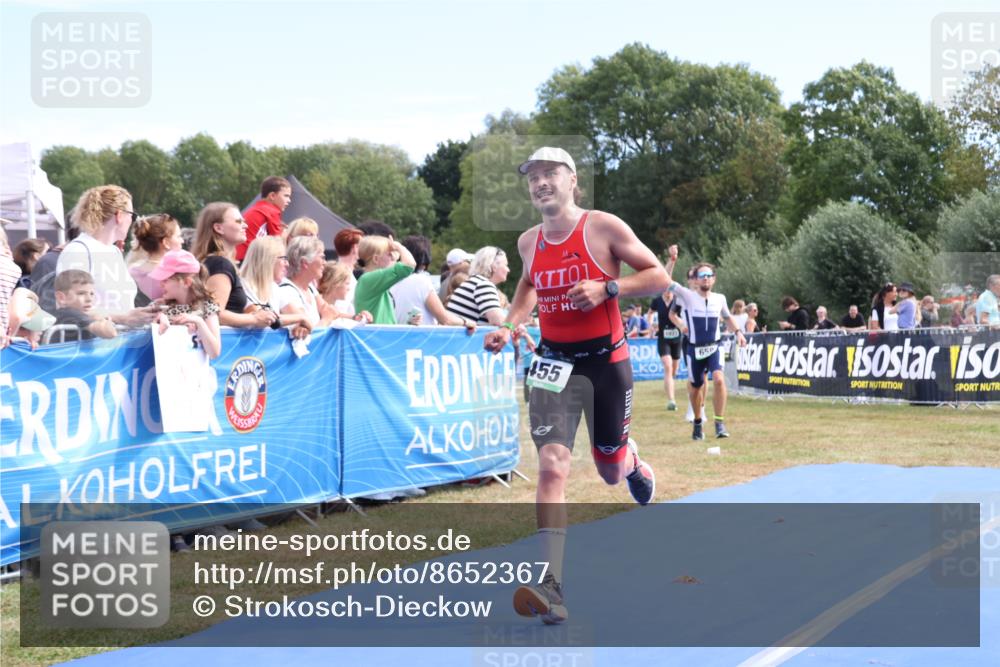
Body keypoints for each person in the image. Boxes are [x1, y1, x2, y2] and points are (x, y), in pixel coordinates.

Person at [482, 147, 668, 625]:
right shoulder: (528, 242)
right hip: (553, 365)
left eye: (550, 174)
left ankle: (629, 460)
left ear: (572, 180)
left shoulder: (602, 227)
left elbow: (658, 277)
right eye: (533, 177)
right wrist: (511, 324)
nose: (540, 183)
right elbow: (527, 286)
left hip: (606, 362)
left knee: (609, 470)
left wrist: (608, 288)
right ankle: (553, 585)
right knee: (551, 466)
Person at [669, 255, 747, 441]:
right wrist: (671, 260)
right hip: (694, 349)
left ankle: (719, 423)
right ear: (695, 280)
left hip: (714, 346)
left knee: (719, 379)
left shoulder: (720, 298)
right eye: (702, 275)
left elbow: (727, 317)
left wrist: (738, 332)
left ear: (714, 279)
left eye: (709, 275)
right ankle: (697, 422)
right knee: (696, 388)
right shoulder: (687, 296)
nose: (706, 278)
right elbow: (665, 281)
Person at [55, 185, 157, 327]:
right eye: (132, 215)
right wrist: (122, 318)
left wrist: (152, 314)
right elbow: (69, 307)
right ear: (119, 215)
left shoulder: (114, 252)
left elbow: (122, 305)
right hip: (94, 340)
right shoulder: (78, 251)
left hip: (121, 338)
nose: (132, 221)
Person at [192, 202, 279, 329]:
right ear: (218, 228)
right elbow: (214, 313)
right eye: (238, 221)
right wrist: (254, 318)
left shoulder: (215, 262)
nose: (245, 225)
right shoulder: (220, 264)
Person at [390, 235, 476, 329]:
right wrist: (466, 322)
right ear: (424, 261)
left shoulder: (390, 280)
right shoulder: (421, 281)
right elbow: (445, 319)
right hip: (422, 336)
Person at [151, 250, 222, 359]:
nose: (161, 284)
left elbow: (214, 353)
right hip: (167, 367)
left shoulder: (207, 307)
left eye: (165, 280)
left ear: (186, 282)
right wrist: (157, 319)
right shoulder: (160, 307)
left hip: (194, 369)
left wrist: (199, 322)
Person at [278, 236, 336, 333]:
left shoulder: (310, 287)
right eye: (322, 257)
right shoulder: (287, 291)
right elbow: (311, 334)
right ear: (304, 263)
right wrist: (326, 319)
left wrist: (356, 317)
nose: (325, 263)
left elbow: (327, 309)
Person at [354, 235, 416, 324]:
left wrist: (410, 323)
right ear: (376, 259)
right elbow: (409, 265)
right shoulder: (369, 279)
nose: (394, 257)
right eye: (390, 254)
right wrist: (399, 247)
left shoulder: (372, 281)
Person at [446, 246, 510, 325]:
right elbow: (498, 321)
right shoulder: (483, 285)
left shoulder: (474, 282)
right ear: (494, 267)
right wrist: (515, 325)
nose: (508, 270)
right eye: (506, 265)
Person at [129, 214, 184, 303]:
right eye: (178, 236)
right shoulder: (177, 273)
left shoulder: (132, 272)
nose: (182, 240)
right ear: (166, 242)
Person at [52, 270, 117, 341]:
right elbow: (111, 333)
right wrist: (99, 318)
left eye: (91, 294)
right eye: (81, 293)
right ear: (61, 297)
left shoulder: (81, 315)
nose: (89, 299)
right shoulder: (68, 313)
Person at [236, 176, 291, 261]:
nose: (289, 200)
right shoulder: (271, 211)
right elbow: (277, 240)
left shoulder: (259, 208)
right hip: (249, 257)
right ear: (272, 196)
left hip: (239, 255)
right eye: (286, 196)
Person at [651, 289, 682, 410]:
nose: (668, 292)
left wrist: (683, 325)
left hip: (677, 338)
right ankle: (671, 401)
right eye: (665, 289)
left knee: (674, 370)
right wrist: (651, 325)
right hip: (663, 338)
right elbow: (650, 313)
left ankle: (670, 384)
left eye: (670, 289)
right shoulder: (657, 301)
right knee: (668, 366)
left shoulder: (678, 301)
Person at [332, 228, 363, 315]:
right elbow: (340, 307)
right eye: (362, 245)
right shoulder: (343, 275)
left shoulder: (337, 271)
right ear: (355, 248)